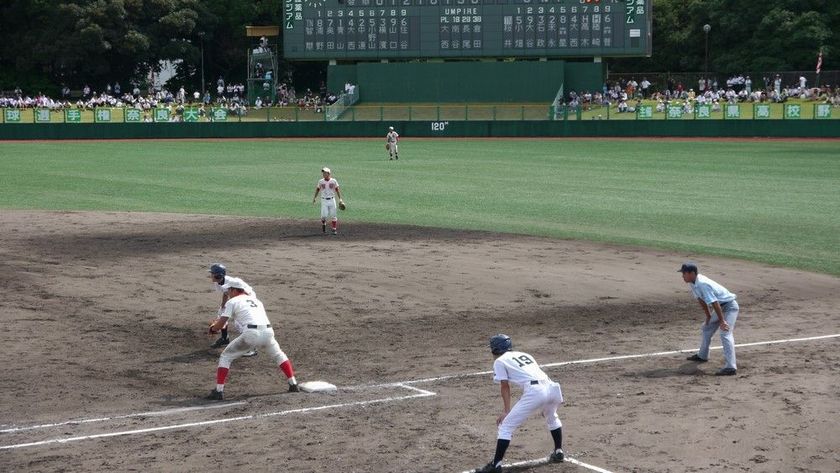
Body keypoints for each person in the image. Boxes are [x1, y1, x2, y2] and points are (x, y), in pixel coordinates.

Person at [472, 334, 565, 473]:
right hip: (552, 387)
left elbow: (505, 386)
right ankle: (558, 452)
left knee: (506, 426)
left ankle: (495, 465)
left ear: (494, 349)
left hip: (536, 391)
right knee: (552, 416)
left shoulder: (499, 361)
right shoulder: (524, 354)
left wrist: (506, 410)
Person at [207, 277, 300, 400]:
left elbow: (221, 324)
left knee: (226, 356)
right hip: (268, 332)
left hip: (251, 334)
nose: (228, 293)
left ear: (235, 290)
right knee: (279, 355)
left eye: (229, 290)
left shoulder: (232, 302)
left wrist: (213, 329)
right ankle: (293, 384)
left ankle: (218, 391)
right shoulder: (257, 301)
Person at [679, 262, 740, 376]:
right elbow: (701, 300)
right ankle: (703, 355)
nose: (682, 276)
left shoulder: (702, 283)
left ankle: (730, 367)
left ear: (692, 273)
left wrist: (722, 321)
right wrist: (708, 316)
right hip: (721, 308)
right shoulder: (693, 282)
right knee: (706, 328)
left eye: (684, 273)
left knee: (725, 333)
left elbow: (715, 302)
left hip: (730, 307)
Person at [207, 263, 257, 357]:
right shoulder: (217, 283)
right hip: (235, 297)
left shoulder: (232, 282)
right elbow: (226, 293)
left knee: (239, 323)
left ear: (218, 275)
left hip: (247, 297)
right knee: (221, 314)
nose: (211, 275)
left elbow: (244, 293)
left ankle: (252, 348)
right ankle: (225, 338)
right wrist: (223, 306)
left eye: (212, 273)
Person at [312, 167, 344, 235]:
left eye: (325, 173)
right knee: (324, 216)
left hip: (332, 200)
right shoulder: (320, 181)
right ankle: (324, 224)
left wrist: (340, 199)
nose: (323, 174)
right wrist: (315, 198)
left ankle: (334, 229)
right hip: (324, 200)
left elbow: (337, 189)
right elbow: (317, 189)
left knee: (334, 215)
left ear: (329, 173)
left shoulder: (334, 181)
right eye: (323, 173)